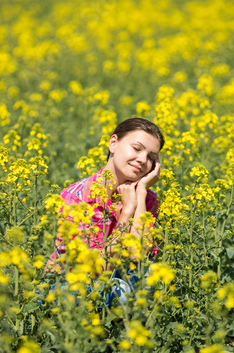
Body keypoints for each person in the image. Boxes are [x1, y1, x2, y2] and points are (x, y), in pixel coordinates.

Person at [43, 117, 165, 306]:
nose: (142, 159)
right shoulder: (77, 197)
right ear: (113, 143)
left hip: (116, 281)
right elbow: (96, 270)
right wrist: (127, 213)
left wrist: (140, 194)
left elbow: (138, 256)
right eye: (137, 148)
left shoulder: (148, 198)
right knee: (118, 290)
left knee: (152, 277)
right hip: (68, 286)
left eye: (151, 157)